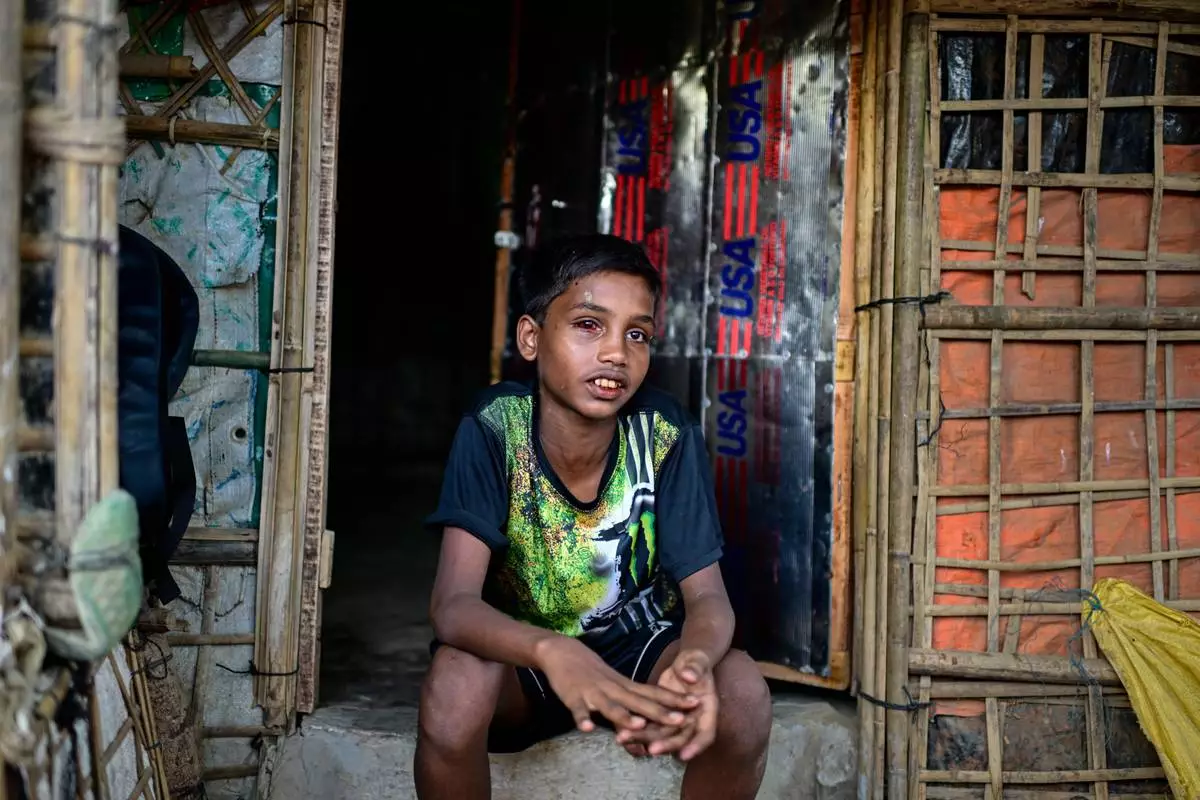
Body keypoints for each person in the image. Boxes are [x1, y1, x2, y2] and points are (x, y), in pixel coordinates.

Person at [414, 233, 772, 799]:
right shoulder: (495, 427)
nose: (615, 352)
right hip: (526, 663)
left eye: (637, 334)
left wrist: (695, 664)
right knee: (455, 685)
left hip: (639, 656)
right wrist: (553, 651)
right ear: (531, 338)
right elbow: (452, 607)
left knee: (744, 692)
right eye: (588, 325)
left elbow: (708, 598)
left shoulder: (663, 433)